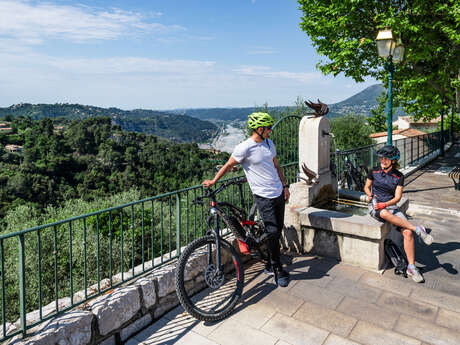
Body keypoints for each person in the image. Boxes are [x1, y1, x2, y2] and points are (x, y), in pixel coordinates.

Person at [202, 112, 291, 287]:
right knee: (272, 231)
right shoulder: (244, 148)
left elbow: (277, 166)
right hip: (263, 196)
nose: (270, 131)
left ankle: (268, 259)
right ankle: (276, 268)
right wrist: (213, 181)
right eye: (268, 128)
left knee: (277, 229)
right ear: (259, 129)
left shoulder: (269, 143)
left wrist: (285, 186)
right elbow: (228, 165)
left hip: (278, 192)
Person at [364, 145, 433, 283]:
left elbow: (397, 198)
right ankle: (417, 229)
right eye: (381, 158)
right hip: (376, 206)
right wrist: (370, 195)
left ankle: (411, 267)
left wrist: (386, 204)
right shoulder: (374, 171)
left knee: (407, 233)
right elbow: (366, 187)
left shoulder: (399, 176)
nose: (382, 160)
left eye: (386, 158)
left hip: (391, 206)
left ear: (393, 160)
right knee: (383, 213)